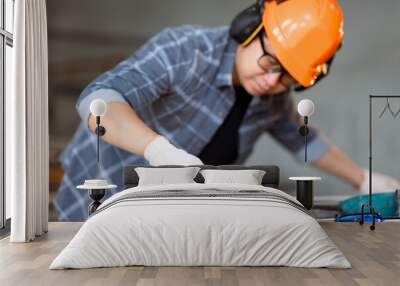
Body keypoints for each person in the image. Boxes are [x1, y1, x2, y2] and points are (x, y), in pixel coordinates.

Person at [54, 0, 400, 221]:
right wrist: (159, 151)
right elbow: (99, 100)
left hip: (168, 214)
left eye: (288, 78)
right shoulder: (185, 51)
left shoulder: (273, 100)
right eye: (270, 62)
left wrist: (362, 178)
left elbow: (304, 140)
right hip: (98, 203)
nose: (272, 80)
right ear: (250, 29)